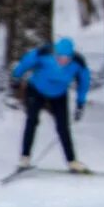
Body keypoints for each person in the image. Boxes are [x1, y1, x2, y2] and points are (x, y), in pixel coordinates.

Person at [11, 37, 92, 173]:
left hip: (59, 94)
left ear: (71, 56)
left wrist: (80, 103)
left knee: (63, 127)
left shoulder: (78, 62)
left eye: (66, 58)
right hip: (36, 90)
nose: (63, 61)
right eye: (60, 57)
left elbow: (84, 83)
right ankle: (24, 158)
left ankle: (72, 161)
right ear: (55, 53)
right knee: (32, 120)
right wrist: (16, 77)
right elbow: (26, 62)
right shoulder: (44, 53)